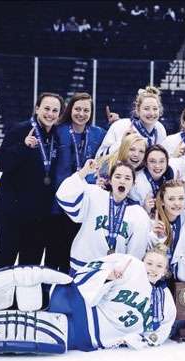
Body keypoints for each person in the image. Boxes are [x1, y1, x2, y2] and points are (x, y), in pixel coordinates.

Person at [0, 246, 176, 354]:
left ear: (166, 271)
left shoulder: (165, 302)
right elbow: (88, 272)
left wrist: (135, 340)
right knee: (23, 293)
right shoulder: (130, 264)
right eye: (150, 263)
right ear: (143, 260)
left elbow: (159, 333)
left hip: (84, 334)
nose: (152, 269)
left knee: (15, 326)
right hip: (73, 300)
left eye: (159, 266)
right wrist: (107, 277)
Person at [0, 92, 64, 271]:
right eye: (46, 108)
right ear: (37, 108)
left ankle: (22, 300)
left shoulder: (57, 136)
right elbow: (0, 163)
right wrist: (23, 146)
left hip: (38, 217)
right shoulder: (20, 130)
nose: (50, 114)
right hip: (11, 213)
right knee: (5, 260)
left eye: (55, 110)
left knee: (30, 266)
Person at [46, 93, 107, 274]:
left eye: (86, 110)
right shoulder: (58, 130)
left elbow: (114, 145)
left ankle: (66, 295)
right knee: (52, 253)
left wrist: (117, 126)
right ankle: (47, 294)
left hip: (83, 206)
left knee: (72, 252)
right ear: (70, 109)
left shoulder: (98, 134)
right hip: (57, 204)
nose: (81, 113)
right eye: (77, 109)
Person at [56, 159, 150, 275]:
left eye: (127, 178)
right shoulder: (94, 194)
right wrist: (84, 172)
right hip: (84, 267)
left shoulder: (139, 214)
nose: (122, 181)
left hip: (113, 274)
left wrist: (124, 272)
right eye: (118, 176)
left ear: (133, 184)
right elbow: (64, 196)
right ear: (110, 181)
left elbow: (135, 252)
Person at [96, 87, 167, 158]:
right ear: (138, 110)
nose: (151, 113)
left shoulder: (160, 128)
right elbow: (99, 157)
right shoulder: (121, 125)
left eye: (155, 108)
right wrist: (122, 143)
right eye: (146, 109)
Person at [128, 144, 184, 214]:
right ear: (145, 163)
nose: (157, 166)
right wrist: (145, 210)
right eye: (152, 161)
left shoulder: (171, 174)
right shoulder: (137, 183)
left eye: (162, 161)